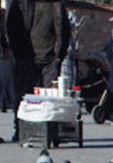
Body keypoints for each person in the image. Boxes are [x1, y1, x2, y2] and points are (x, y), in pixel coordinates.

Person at [5, 0, 69, 141]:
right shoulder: (20, 3)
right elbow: (11, 28)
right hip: (26, 58)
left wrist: (59, 55)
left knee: (49, 99)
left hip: (50, 60)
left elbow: (65, 29)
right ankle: (22, 130)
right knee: (25, 98)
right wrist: (17, 53)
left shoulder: (56, 5)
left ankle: (49, 131)